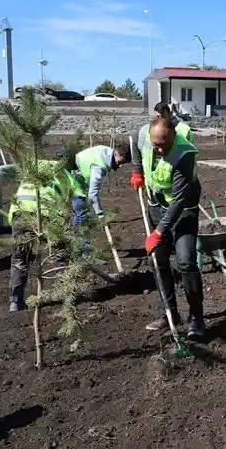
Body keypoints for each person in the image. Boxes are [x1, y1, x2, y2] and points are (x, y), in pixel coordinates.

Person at [137, 117, 205, 337]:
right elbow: (135, 149)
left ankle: (197, 319)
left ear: (173, 136)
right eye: (155, 144)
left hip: (183, 210)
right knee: (158, 261)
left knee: (185, 262)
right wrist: (137, 171)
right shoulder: (146, 138)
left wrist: (158, 232)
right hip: (156, 207)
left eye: (163, 144)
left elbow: (178, 200)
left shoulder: (184, 154)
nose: (159, 149)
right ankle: (170, 314)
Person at [0, 157, 73, 311]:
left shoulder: (31, 164)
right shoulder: (67, 174)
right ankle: (67, 299)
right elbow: (66, 206)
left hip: (21, 215)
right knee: (60, 256)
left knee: (19, 259)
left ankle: (15, 302)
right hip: (48, 217)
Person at [72, 143, 132, 224]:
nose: (120, 166)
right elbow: (93, 194)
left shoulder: (106, 150)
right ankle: (77, 234)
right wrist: (101, 215)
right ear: (116, 153)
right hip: (72, 175)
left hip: (77, 170)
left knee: (79, 208)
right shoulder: (99, 168)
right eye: (121, 162)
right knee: (81, 210)